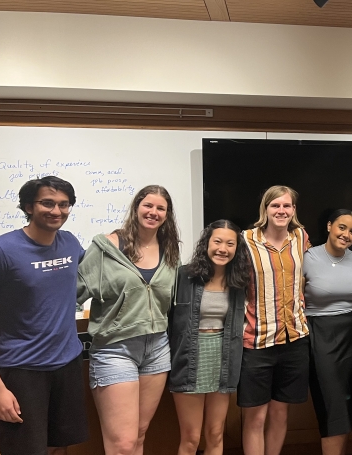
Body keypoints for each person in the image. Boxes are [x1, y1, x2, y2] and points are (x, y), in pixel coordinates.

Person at [0, 176, 88, 455]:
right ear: (28, 206)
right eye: (47, 203)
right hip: (21, 371)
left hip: (66, 364)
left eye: (64, 204)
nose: (56, 211)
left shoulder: (71, 244)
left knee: (58, 446)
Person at [78, 185, 181, 455]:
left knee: (138, 435)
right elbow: (72, 293)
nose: (153, 212)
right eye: (148, 205)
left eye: (161, 208)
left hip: (157, 348)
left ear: (167, 215)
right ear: (136, 207)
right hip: (115, 348)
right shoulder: (106, 246)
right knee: (122, 444)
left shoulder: (169, 250)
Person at [168, 220, 253, 455]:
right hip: (188, 358)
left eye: (230, 244)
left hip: (223, 358)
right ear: (207, 243)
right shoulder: (184, 276)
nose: (222, 249)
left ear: (237, 249)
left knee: (216, 433)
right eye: (217, 241)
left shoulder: (239, 282)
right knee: (191, 438)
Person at [239, 185, 311, 455]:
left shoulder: (301, 238)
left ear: (293, 210)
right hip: (257, 342)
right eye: (275, 206)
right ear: (265, 210)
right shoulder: (245, 240)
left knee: (281, 415)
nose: (281, 211)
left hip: (295, 341)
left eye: (287, 206)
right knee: (255, 418)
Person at [303, 209, 352, 455]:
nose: (346, 234)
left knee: (346, 402)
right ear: (329, 226)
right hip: (320, 335)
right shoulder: (307, 257)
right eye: (341, 227)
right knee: (332, 403)